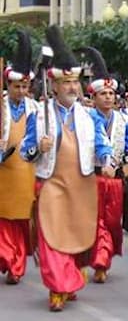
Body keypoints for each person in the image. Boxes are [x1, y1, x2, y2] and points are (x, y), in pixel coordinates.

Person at [20, 25, 115, 311]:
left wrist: (108, 160)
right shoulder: (39, 117)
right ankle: (57, 288)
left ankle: (69, 279)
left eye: (76, 82)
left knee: (75, 235)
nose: (73, 87)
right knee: (51, 236)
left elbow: (102, 145)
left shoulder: (89, 117)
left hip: (82, 185)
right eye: (67, 83)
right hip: (51, 185)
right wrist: (40, 147)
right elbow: (26, 152)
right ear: (56, 85)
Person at [81, 47, 128, 284]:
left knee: (112, 221)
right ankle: (99, 261)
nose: (109, 97)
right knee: (95, 220)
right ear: (94, 98)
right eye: (104, 94)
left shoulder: (124, 120)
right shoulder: (87, 118)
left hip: (115, 181)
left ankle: (104, 257)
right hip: (92, 178)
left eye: (111, 93)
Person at [0, 30, 39, 285]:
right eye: (17, 86)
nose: (21, 90)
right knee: (3, 219)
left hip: (25, 171)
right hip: (3, 172)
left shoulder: (36, 109)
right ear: (8, 85)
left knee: (22, 220)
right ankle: (6, 257)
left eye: (25, 86)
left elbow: (36, 140)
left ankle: (16, 265)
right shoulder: (0, 106)